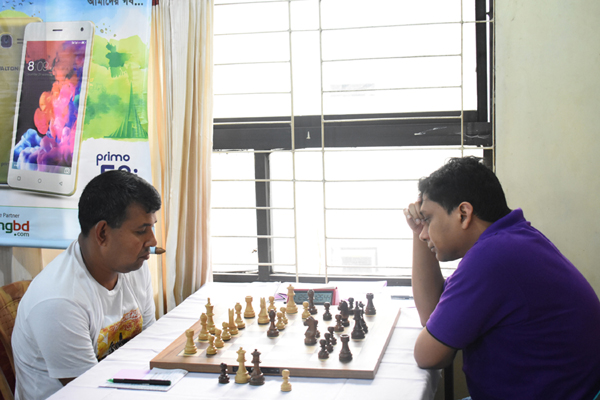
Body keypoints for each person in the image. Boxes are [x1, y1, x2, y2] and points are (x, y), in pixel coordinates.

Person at [404, 157, 600, 400]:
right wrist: (418, 231)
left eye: (428, 219)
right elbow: (431, 315)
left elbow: (428, 356)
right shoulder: (513, 238)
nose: (424, 234)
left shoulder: (492, 258)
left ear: (464, 213)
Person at [12, 170, 161, 400]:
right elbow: (91, 393)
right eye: (141, 231)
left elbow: (149, 348)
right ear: (102, 233)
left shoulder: (134, 268)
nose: (152, 241)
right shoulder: (59, 301)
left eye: (152, 228)